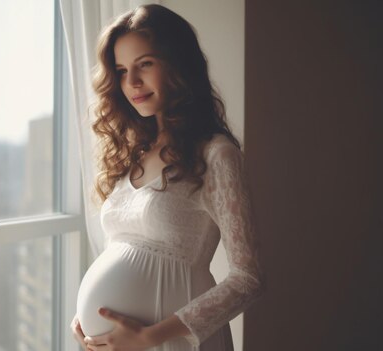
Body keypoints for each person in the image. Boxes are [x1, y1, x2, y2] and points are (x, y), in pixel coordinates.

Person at [72, 4, 263, 351]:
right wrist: (86, 320)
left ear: (178, 65)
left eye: (145, 64)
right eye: (121, 70)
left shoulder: (215, 155)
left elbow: (247, 280)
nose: (132, 82)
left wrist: (149, 337)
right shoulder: (132, 153)